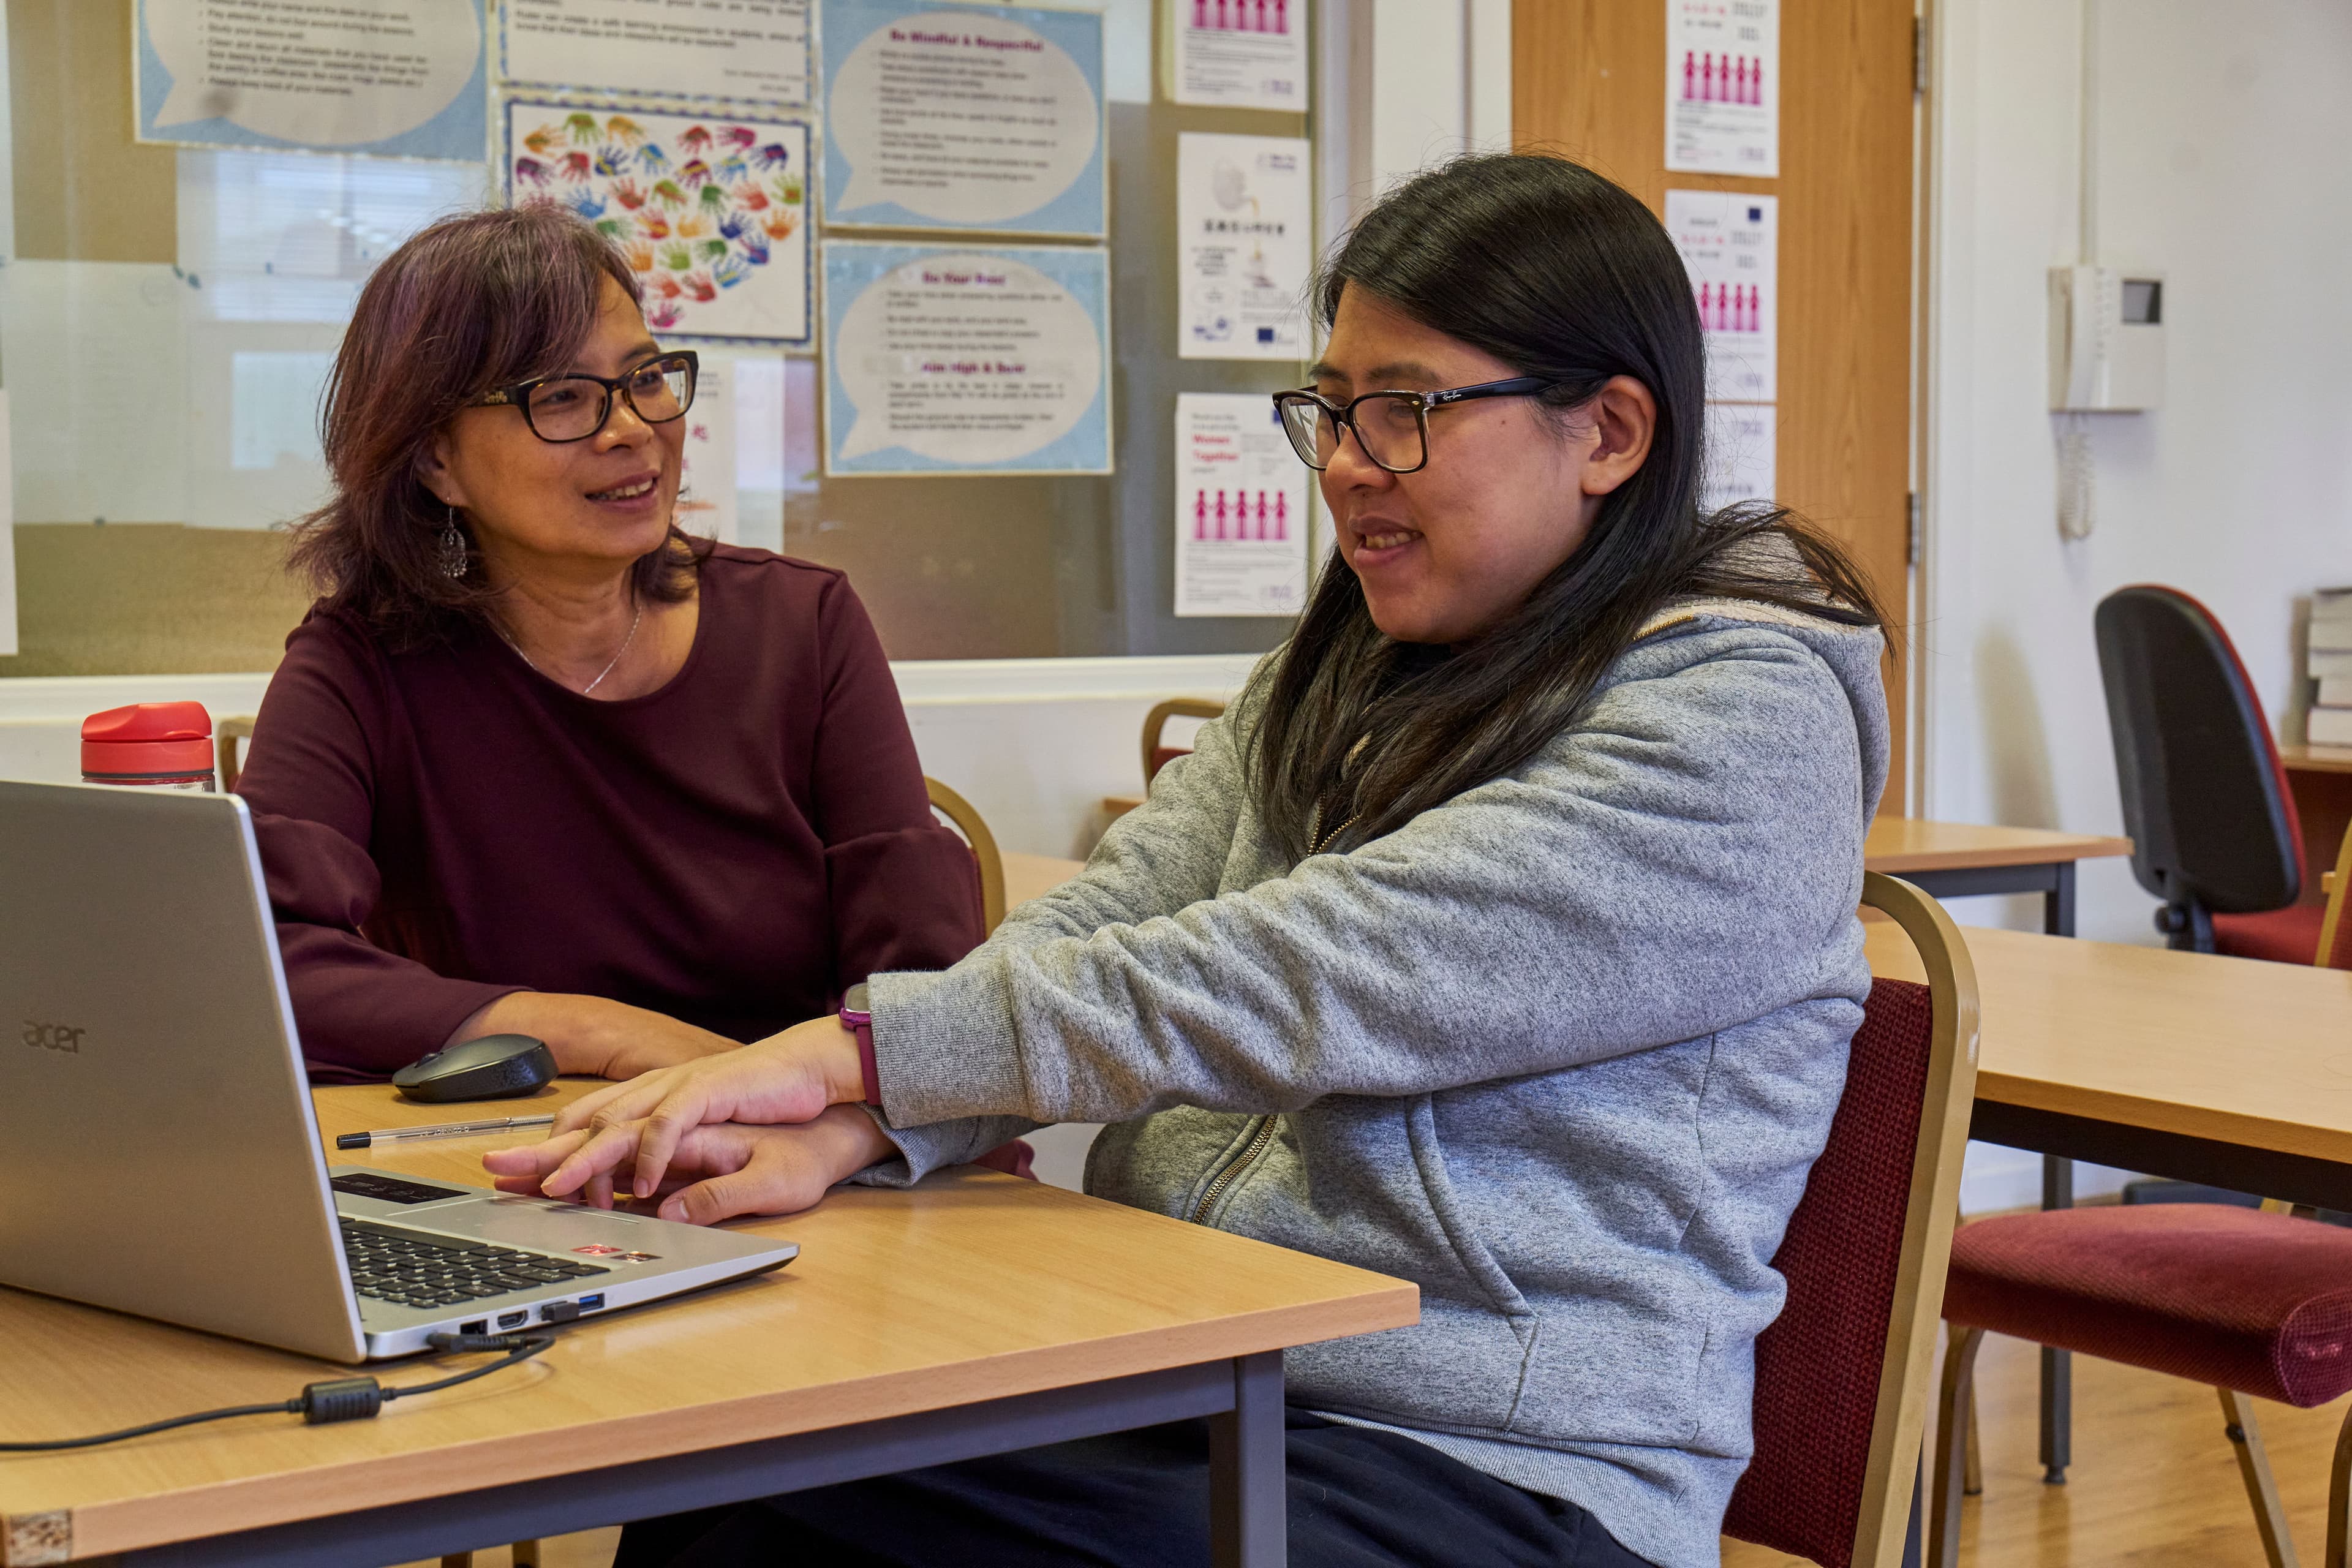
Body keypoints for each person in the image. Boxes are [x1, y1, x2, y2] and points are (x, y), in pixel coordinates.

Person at [491, 153, 1894, 1568]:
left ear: (1609, 431)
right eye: (1333, 410)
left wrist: (848, 1054)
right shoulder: (1346, 659)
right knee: (754, 1467)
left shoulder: (1742, 718)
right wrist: (876, 1121)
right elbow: (1127, 903)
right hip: (1195, 1359)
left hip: (1505, 1464)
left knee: (832, 1509)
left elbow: (1323, 964)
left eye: (1406, 411)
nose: (1349, 461)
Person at [236, 206, 983, 1153]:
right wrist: (598, 1032)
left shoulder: (804, 628)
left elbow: (936, 1001)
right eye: (561, 398)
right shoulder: (366, 661)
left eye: (645, 380)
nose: (631, 430)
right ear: (435, 460)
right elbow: (266, 966)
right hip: (521, 1170)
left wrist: (821, 1129)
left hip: (808, 1162)